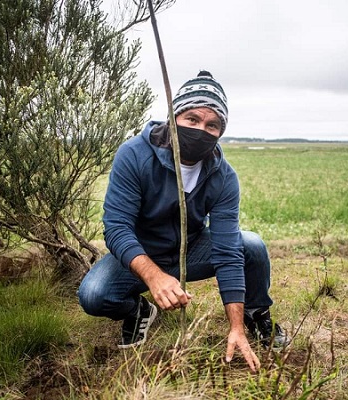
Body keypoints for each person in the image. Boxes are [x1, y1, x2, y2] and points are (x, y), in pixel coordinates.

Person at [78, 70, 289, 372]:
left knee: (250, 245)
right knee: (94, 296)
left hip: (192, 250)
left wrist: (235, 326)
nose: (202, 129)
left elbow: (228, 251)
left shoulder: (223, 175)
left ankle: (255, 318)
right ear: (173, 117)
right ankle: (139, 311)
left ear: (221, 130)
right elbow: (117, 227)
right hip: (142, 254)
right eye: (192, 119)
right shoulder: (134, 155)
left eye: (212, 124)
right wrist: (153, 277)